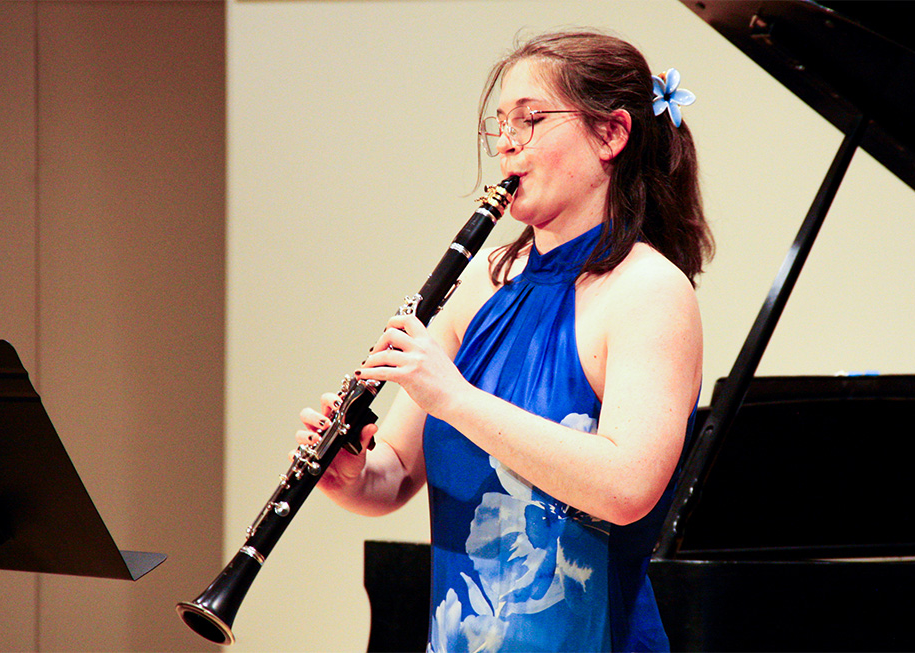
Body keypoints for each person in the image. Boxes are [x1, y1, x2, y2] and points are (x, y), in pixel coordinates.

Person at [297, 29, 713, 653]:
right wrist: (351, 475)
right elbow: (394, 475)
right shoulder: (481, 285)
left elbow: (627, 489)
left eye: (531, 119)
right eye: (500, 124)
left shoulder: (649, 291)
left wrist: (455, 398)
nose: (508, 142)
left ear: (611, 134)